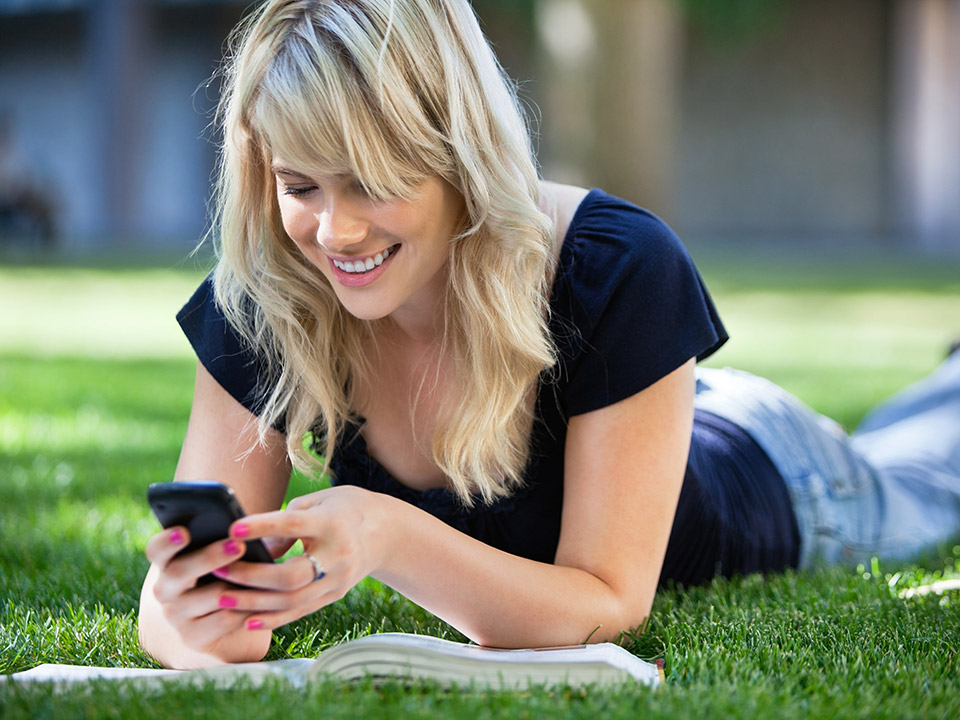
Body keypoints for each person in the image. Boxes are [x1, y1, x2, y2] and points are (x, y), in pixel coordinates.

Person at [138, 0, 960, 669]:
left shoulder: (618, 264)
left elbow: (606, 604)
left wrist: (384, 533)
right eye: (299, 184)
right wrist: (201, 621)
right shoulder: (271, 291)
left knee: (937, 466)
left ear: (456, 151)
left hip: (779, 472)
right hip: (657, 420)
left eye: (373, 181)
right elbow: (173, 621)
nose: (335, 231)